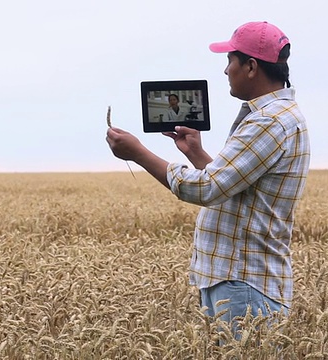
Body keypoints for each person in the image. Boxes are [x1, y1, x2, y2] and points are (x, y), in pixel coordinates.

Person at [106, 21, 310, 335]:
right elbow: (234, 186)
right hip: (238, 281)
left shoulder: (270, 121)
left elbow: (206, 188)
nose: (226, 70)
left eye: (230, 60)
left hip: (244, 284)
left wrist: (138, 153)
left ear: (251, 66)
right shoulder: (273, 116)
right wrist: (196, 153)